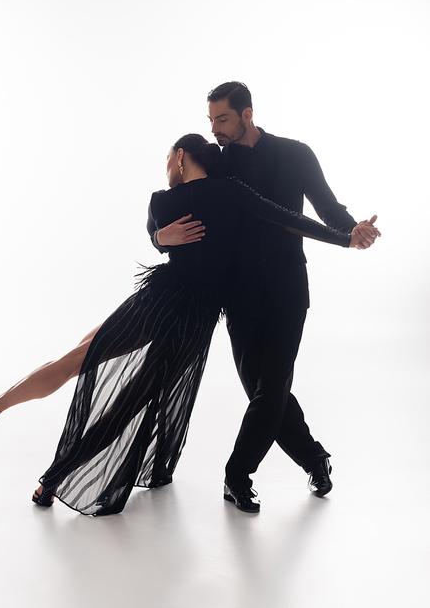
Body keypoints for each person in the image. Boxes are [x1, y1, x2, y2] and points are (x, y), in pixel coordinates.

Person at [0, 134, 375, 516]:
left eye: (168, 158)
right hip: (190, 315)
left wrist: (158, 239)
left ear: (181, 156)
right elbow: (289, 219)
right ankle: (29, 448)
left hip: (160, 300)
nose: (167, 166)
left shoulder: (161, 199)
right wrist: (344, 237)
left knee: (80, 363)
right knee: (112, 380)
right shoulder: (233, 193)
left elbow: (157, 231)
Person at [152, 83, 380, 513]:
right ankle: (314, 458)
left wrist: (351, 231)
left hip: (288, 286)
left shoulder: (297, 154)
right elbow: (182, 201)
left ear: (247, 114)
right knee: (263, 392)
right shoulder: (218, 163)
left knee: (272, 387)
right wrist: (159, 239)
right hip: (236, 292)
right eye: (211, 121)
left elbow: (327, 208)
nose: (216, 129)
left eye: (222, 119)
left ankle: (237, 475)